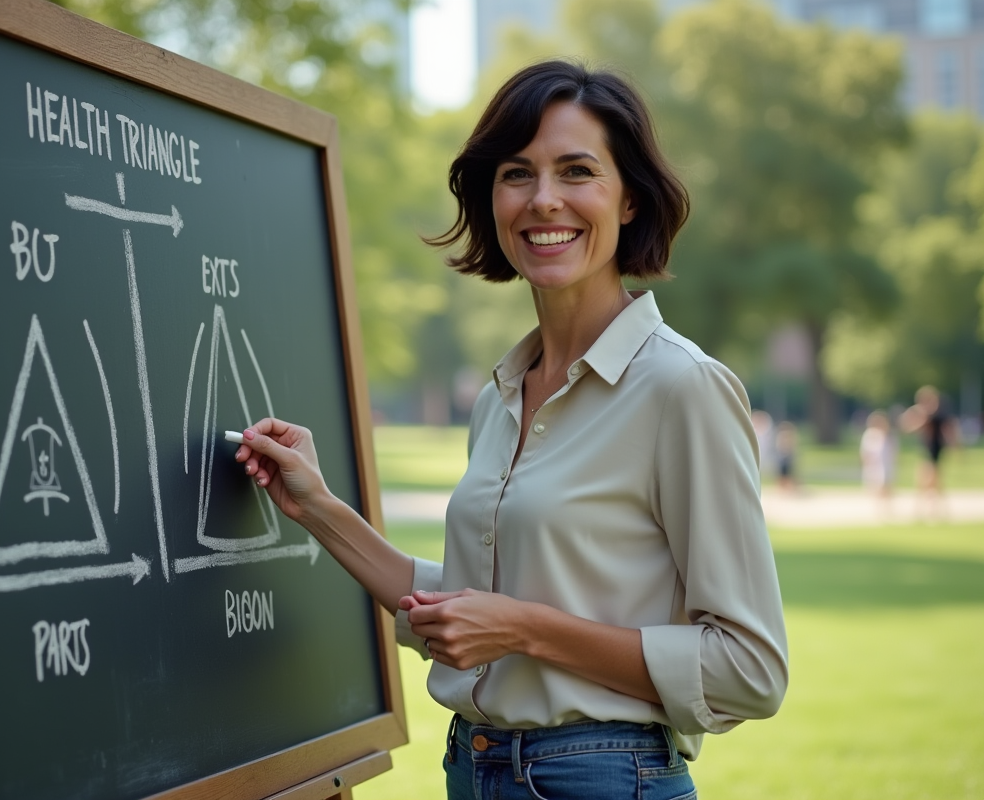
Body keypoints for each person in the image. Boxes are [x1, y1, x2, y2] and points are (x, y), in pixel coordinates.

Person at [232, 61, 787, 799]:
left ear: (628, 200)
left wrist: (525, 629)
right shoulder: (501, 395)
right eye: (517, 173)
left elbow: (750, 670)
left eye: (578, 170)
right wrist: (318, 509)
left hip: (604, 777)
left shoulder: (681, 387)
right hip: (475, 769)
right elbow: (464, 612)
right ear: (492, 197)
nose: (544, 199)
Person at [901, 386, 958, 519]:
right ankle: (934, 510)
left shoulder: (937, 416)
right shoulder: (926, 415)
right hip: (926, 451)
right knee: (930, 482)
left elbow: (948, 431)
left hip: (934, 451)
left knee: (929, 481)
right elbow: (907, 426)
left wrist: (954, 447)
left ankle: (927, 510)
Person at [860, 410, 896, 511]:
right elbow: (865, 452)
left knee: (886, 486)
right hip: (874, 465)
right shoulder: (870, 435)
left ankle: (887, 507)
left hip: (885, 464)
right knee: (876, 487)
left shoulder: (888, 435)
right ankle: (879, 508)